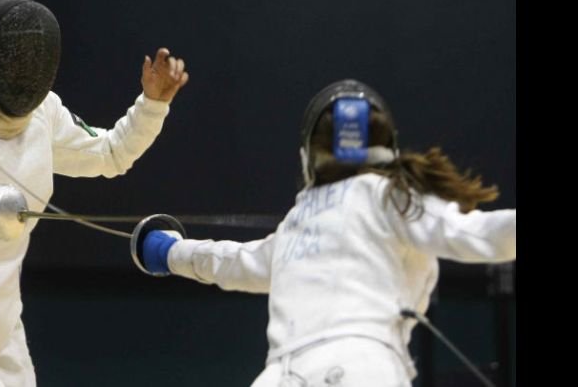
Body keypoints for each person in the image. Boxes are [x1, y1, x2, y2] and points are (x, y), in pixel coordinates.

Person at [0, 0, 189, 386]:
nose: (26, 66)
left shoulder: (44, 111)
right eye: (15, 54)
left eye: (34, 54)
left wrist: (152, 106)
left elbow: (109, 153)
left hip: (3, 323)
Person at [139, 79, 515, 387]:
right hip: (362, 368)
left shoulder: (297, 222)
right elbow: (483, 235)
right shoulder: (392, 197)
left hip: (281, 377)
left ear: (309, 156)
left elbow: (231, 262)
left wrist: (166, 251)